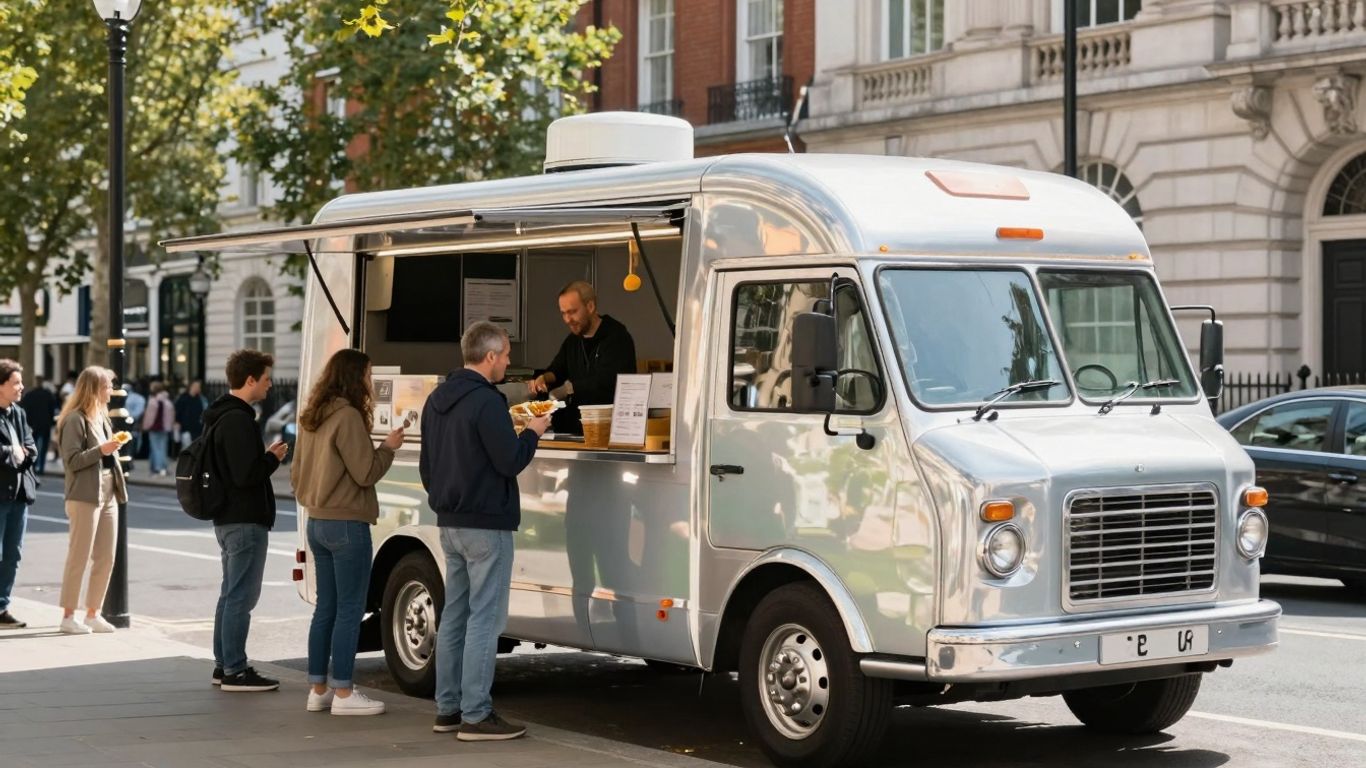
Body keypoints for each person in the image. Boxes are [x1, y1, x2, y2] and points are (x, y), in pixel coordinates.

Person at [422, 321, 548, 741]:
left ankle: (448, 708)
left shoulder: (437, 399)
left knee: (454, 614)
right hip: (486, 525)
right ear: (490, 356)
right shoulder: (486, 402)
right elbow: (510, 460)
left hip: (449, 524)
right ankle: (476, 714)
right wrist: (533, 432)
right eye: (506, 355)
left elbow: (427, 468)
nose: (509, 362)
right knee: (485, 619)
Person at [291, 349, 403, 716]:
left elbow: (295, 475)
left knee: (325, 608)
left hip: (317, 521)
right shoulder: (348, 416)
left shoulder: (312, 417)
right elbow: (365, 472)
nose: (371, 382)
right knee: (349, 609)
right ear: (355, 378)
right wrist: (387, 449)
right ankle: (343, 693)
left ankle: (318, 689)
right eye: (368, 375)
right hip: (346, 523)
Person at [206, 349, 289, 692]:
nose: (270, 385)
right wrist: (271, 458)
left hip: (227, 518)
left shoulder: (219, 415)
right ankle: (235, 671)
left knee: (230, 594)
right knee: (241, 596)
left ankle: (223, 664)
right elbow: (245, 474)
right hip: (244, 519)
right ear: (250, 379)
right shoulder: (239, 420)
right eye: (267, 378)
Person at [54, 367, 127, 635]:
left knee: (106, 556)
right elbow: (72, 461)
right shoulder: (75, 419)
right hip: (84, 494)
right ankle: (68, 616)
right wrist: (102, 450)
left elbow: (106, 458)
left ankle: (93, 613)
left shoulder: (103, 418)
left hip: (108, 492)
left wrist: (111, 449)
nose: (112, 391)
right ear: (95, 388)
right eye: (108, 386)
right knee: (79, 556)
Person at [528, 281, 636, 434]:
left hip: (608, 429)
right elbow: (558, 369)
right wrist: (544, 378)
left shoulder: (616, 337)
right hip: (575, 428)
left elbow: (607, 381)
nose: (567, 319)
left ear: (590, 307)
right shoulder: (573, 340)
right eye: (563, 313)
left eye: (572, 312)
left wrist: (569, 389)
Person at [0, 359, 37, 629]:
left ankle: (2, 607)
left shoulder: (19, 413)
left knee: (13, 553)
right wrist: (10, 453)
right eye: (15, 383)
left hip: (20, 493)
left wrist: (24, 453)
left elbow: (30, 445)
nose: (21, 387)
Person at [19, 375, 57, 478]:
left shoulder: (29, 395)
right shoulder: (48, 394)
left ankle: (34, 466)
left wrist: (26, 423)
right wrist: (52, 422)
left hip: (33, 425)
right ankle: (41, 467)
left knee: (32, 446)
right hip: (45, 424)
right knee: (43, 447)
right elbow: (52, 409)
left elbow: (24, 409)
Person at [143, 382, 173, 476]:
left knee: (155, 448)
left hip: (154, 427)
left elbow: (149, 416)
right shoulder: (167, 401)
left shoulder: (152, 401)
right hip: (164, 428)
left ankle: (158, 468)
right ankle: (157, 467)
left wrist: (145, 426)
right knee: (162, 448)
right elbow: (171, 415)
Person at [174, 379, 209, 451]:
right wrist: (177, 422)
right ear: (191, 387)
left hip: (198, 428)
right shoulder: (183, 398)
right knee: (187, 448)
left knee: (197, 449)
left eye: (199, 387)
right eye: (196, 386)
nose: (198, 388)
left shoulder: (201, 399)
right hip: (186, 428)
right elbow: (178, 412)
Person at [123, 383, 146, 474]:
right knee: (130, 443)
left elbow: (137, 413)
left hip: (130, 424)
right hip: (131, 424)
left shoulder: (135, 398)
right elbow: (138, 412)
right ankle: (128, 461)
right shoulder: (139, 398)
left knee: (130, 443)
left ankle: (128, 461)